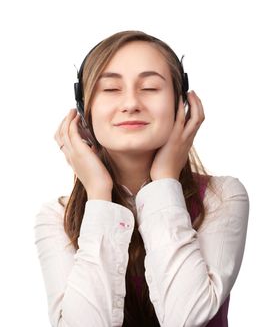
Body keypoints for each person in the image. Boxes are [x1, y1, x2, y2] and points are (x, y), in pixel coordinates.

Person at [33, 30, 249, 327]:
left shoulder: (221, 197)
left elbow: (185, 319)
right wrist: (98, 194)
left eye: (149, 87)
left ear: (180, 104)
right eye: (110, 89)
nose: (131, 103)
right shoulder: (57, 217)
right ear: (84, 110)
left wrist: (164, 182)